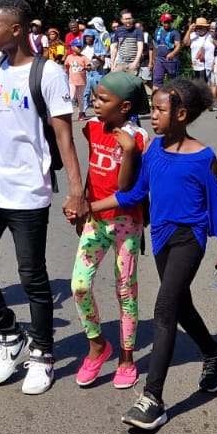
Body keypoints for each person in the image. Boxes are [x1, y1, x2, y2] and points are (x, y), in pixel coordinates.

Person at [80, 79, 217, 433]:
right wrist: (90, 207)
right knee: (180, 305)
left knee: (164, 308)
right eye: (153, 108)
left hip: (189, 240)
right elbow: (133, 194)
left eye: (160, 110)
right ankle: (214, 352)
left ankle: (153, 398)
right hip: (163, 237)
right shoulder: (152, 152)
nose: (153, 115)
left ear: (181, 114)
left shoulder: (204, 157)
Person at [0, 0, 84, 395]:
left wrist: (77, 193)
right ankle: (10, 336)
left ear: (17, 30)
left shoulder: (49, 74)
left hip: (29, 193)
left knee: (32, 278)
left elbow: (65, 138)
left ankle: (43, 354)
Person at [68, 72, 148, 390]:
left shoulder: (139, 138)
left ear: (125, 106)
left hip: (126, 224)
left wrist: (128, 151)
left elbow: (127, 187)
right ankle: (98, 345)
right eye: (95, 97)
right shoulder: (91, 128)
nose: (95, 103)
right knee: (79, 286)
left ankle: (127, 358)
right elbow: (91, 171)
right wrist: (82, 209)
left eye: (103, 99)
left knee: (125, 290)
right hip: (95, 223)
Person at [150, 13, 182, 90]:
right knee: (157, 80)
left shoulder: (175, 32)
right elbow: (155, 46)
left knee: (173, 82)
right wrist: (152, 60)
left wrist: (172, 53)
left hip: (171, 61)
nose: (167, 24)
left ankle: (173, 99)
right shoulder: (157, 31)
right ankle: (156, 98)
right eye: (165, 22)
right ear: (161, 22)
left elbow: (178, 46)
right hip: (159, 60)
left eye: (169, 22)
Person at [108, 10, 145, 76]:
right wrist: (112, 64)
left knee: (131, 84)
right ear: (122, 20)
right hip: (120, 62)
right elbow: (115, 48)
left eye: (129, 18)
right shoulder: (118, 31)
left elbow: (140, 49)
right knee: (117, 83)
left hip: (132, 63)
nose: (128, 21)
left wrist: (135, 62)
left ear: (132, 19)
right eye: (126, 19)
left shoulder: (138, 31)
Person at [64, 40, 91, 119]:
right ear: (72, 47)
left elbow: (90, 67)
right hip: (72, 81)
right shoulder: (69, 57)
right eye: (78, 47)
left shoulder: (83, 57)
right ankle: (67, 113)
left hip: (82, 81)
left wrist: (84, 67)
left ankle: (81, 113)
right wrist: (67, 72)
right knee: (71, 96)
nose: (80, 48)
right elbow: (66, 66)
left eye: (81, 47)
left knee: (80, 98)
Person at [186, 18, 215, 83]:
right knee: (198, 84)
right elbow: (186, 43)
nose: (199, 29)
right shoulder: (193, 35)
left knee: (203, 84)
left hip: (207, 65)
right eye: (198, 27)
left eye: (201, 27)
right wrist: (189, 31)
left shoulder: (210, 36)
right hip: (196, 65)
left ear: (206, 27)